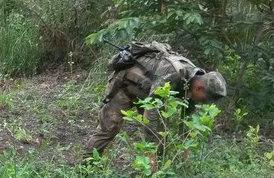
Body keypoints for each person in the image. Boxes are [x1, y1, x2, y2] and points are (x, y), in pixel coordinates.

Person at [87, 41, 227, 158]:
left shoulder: (192, 80)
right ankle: (87, 163)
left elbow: (186, 117)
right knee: (109, 128)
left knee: (161, 134)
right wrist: (151, 153)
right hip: (125, 86)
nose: (205, 102)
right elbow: (152, 110)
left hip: (147, 92)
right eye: (205, 99)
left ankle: (156, 175)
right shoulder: (174, 74)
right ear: (199, 89)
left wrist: (185, 149)